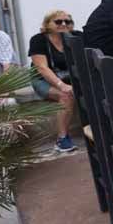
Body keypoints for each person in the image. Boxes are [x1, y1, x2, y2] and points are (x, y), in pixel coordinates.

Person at [28, 9, 79, 153]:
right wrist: (61, 85)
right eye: (58, 21)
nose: (63, 24)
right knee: (66, 96)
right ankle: (62, 139)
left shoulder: (77, 37)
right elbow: (42, 68)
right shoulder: (38, 40)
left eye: (68, 21)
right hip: (44, 79)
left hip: (71, 78)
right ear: (47, 24)